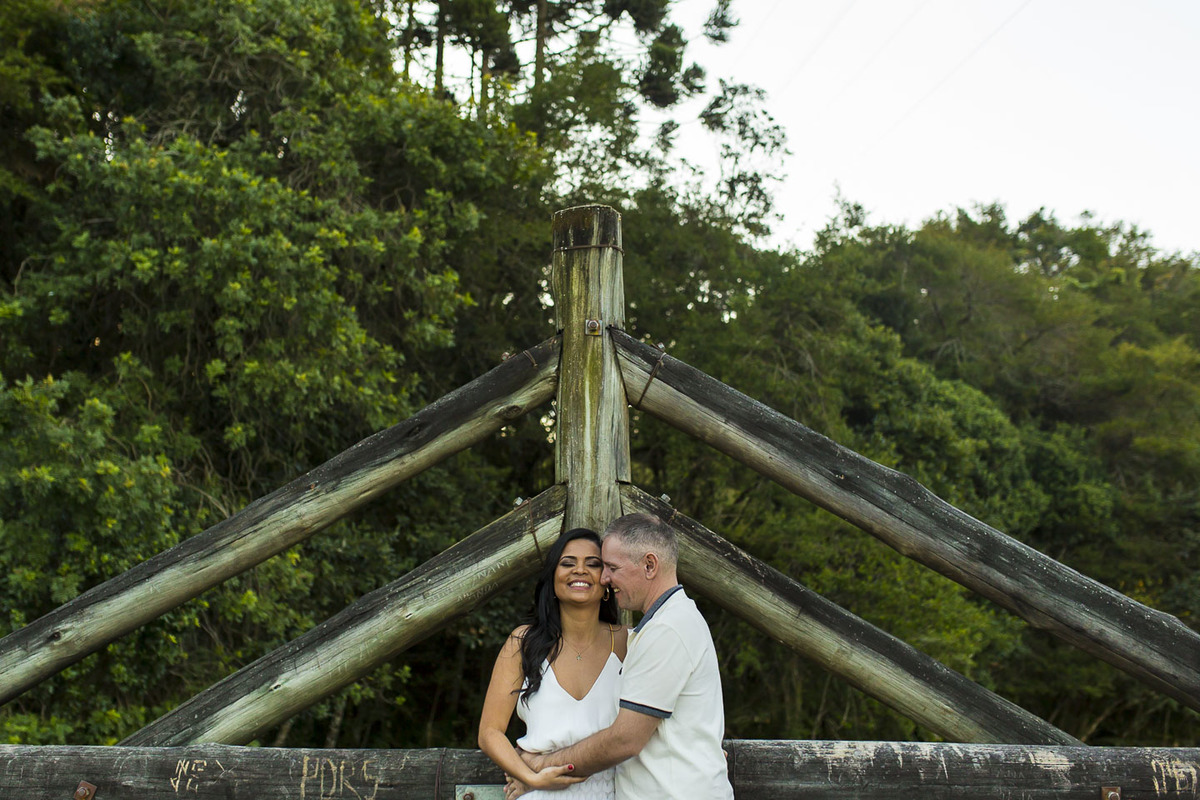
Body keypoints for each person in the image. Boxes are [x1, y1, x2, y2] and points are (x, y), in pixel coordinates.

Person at [519, 513, 734, 800]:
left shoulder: (667, 630)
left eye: (611, 567)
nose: (604, 578)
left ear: (649, 565)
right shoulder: (665, 624)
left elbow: (624, 740)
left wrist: (541, 765)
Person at [479, 527, 629, 799]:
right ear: (553, 580)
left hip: (616, 791)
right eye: (567, 563)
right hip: (541, 792)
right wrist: (530, 777)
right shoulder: (521, 642)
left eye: (593, 564)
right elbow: (490, 732)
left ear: (606, 582)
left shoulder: (630, 642)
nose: (580, 570)